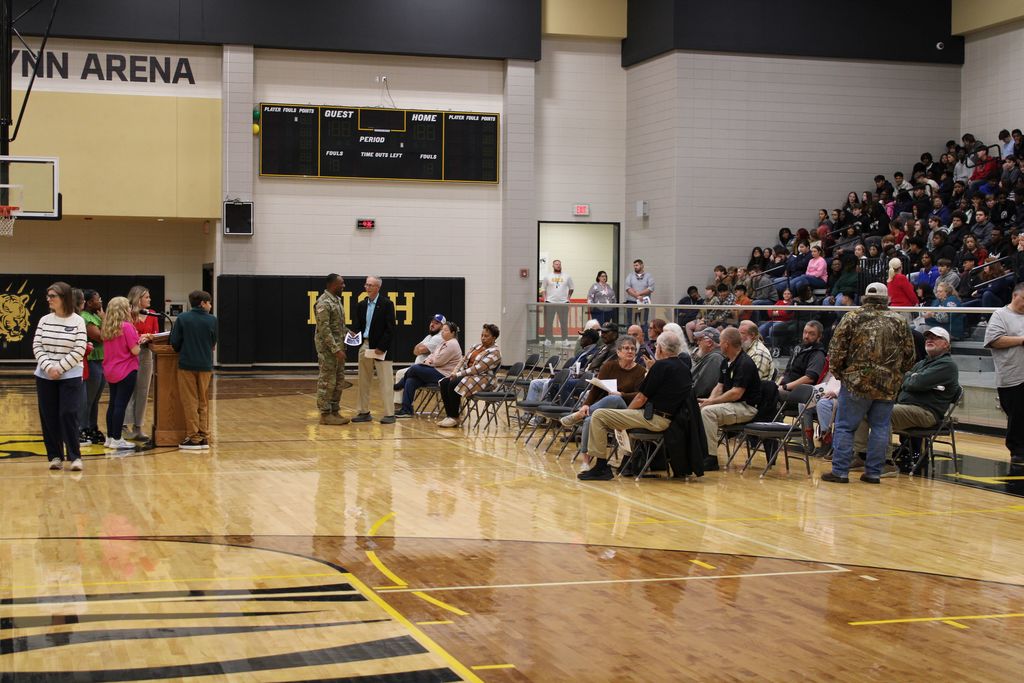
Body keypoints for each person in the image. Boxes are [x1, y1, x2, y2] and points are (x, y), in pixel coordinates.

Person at [823, 283, 916, 484]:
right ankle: (874, 473)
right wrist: (896, 374)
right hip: (888, 384)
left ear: (865, 297)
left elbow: (836, 350)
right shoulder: (899, 321)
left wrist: (840, 374)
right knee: (880, 427)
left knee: (846, 427)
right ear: (886, 298)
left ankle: (840, 471)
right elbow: (910, 356)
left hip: (856, 382)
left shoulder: (852, 317)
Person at [578, 331, 691, 481]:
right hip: (670, 419)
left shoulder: (661, 366)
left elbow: (641, 397)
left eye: (657, 345)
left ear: (661, 349)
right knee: (601, 412)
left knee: (598, 415)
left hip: (654, 418)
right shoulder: (683, 367)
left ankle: (601, 467)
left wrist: (625, 415)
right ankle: (600, 465)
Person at [851, 327, 960, 472]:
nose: (929, 340)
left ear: (946, 344)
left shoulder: (947, 365)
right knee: (864, 409)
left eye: (935, 338)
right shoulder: (922, 363)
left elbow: (914, 383)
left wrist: (910, 378)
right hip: (907, 408)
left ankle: (886, 462)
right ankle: (861, 455)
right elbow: (902, 380)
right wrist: (910, 378)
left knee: (883, 413)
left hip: (926, 413)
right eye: (928, 338)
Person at [561, 336, 647, 469]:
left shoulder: (640, 371)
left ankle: (579, 414)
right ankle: (586, 460)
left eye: (632, 349)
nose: (630, 351)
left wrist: (622, 394)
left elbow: (640, 395)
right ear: (618, 352)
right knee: (590, 420)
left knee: (615, 398)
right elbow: (596, 389)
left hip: (627, 410)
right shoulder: (609, 366)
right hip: (605, 409)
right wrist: (586, 405)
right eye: (626, 348)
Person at [33, 281, 88, 471]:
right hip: (45, 375)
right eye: (48, 296)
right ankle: (55, 456)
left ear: (64, 298)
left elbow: (79, 348)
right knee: (49, 416)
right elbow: (37, 346)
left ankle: (75, 457)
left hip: (70, 374)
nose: (48, 299)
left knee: (68, 413)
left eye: (52, 296)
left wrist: (61, 368)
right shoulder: (44, 320)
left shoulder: (78, 321)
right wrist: (49, 368)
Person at [698, 327, 762, 465]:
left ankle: (710, 457)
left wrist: (712, 403)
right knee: (697, 408)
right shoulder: (725, 361)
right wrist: (709, 400)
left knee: (708, 412)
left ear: (726, 344)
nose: (718, 344)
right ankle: (696, 452)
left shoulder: (744, 363)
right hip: (733, 405)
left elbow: (736, 393)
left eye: (720, 342)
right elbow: (719, 386)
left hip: (747, 407)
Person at [169, 290, 218, 450]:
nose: (210, 305)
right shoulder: (212, 320)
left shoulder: (183, 318)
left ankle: (193, 437)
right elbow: (213, 343)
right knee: (203, 400)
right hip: (205, 365)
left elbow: (174, 343)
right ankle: (204, 435)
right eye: (209, 302)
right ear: (202, 303)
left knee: (190, 400)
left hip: (187, 365)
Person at [101, 296, 149, 451]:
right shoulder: (127, 327)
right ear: (123, 310)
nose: (130, 308)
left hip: (110, 370)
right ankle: (117, 439)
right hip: (126, 370)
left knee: (113, 404)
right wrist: (140, 342)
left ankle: (110, 437)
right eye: (128, 306)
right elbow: (135, 351)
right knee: (120, 404)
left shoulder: (107, 327)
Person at [984, 282, 1024, 466]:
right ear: (1015, 296)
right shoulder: (1000, 315)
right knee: (1016, 415)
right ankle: (1017, 451)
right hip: (1012, 375)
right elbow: (994, 340)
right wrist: (1021, 340)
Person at [352, 276, 398, 424]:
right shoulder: (361, 305)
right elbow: (358, 326)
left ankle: (389, 414)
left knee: (386, 381)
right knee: (363, 381)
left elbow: (390, 329)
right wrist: (354, 338)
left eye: (371, 285)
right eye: (366, 285)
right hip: (365, 345)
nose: (367, 287)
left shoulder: (387, 304)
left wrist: (381, 347)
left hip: (381, 348)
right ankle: (363, 411)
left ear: (378, 287)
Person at [437, 323, 502, 428]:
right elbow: (463, 360)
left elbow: (478, 369)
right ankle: (449, 415)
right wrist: (454, 372)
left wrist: (458, 374)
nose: (483, 338)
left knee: (454, 383)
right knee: (445, 382)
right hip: (468, 374)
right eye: (482, 335)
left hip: (483, 378)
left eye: (486, 336)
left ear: (494, 338)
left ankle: (454, 417)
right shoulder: (476, 346)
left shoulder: (495, 352)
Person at [396, 321, 463, 417]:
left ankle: (400, 384)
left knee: (414, 368)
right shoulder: (443, 342)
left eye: (445, 330)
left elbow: (438, 361)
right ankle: (406, 410)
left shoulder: (452, 344)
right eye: (442, 330)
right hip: (435, 371)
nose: (443, 332)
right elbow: (432, 355)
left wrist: (429, 361)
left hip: (444, 375)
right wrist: (429, 360)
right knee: (411, 380)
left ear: (452, 333)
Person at [122, 285, 160, 440]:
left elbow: (156, 333)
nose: (149, 299)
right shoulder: (128, 314)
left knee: (143, 392)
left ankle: (138, 427)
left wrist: (150, 336)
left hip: (146, 354)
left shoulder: (152, 314)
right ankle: (123, 425)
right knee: (128, 390)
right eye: (146, 297)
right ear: (138, 298)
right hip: (129, 354)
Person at [314, 273, 349, 425]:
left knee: (339, 380)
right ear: (333, 284)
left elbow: (338, 326)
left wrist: (349, 332)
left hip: (339, 348)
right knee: (328, 381)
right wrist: (335, 349)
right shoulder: (323, 303)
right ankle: (325, 414)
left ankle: (334, 410)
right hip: (329, 350)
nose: (344, 286)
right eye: (341, 283)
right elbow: (324, 329)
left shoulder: (336, 301)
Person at [393, 313, 446, 408]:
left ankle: (400, 395)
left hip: (428, 370)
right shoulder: (429, 337)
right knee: (406, 376)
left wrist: (421, 348)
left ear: (442, 327)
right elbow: (415, 350)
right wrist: (421, 348)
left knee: (407, 372)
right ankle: (403, 406)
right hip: (420, 368)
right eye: (432, 322)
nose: (432, 324)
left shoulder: (439, 337)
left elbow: (420, 350)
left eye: (436, 323)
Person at [77, 289, 107, 445]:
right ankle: (81, 428)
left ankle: (92, 427)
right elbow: (101, 336)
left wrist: (103, 319)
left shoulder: (97, 316)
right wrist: (105, 320)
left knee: (96, 398)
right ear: (89, 303)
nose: (100, 302)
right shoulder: (85, 317)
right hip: (92, 360)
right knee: (87, 398)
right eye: (98, 299)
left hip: (102, 360)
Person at [540, 259, 574, 345]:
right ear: (553, 266)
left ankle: (564, 339)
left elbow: (571, 288)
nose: (558, 265)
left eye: (559, 264)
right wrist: (545, 298)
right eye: (556, 264)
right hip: (550, 302)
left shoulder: (567, 276)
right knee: (548, 322)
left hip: (563, 303)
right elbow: (543, 288)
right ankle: (548, 339)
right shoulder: (548, 276)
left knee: (564, 322)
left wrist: (568, 297)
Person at [691, 328, 725, 399]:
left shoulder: (715, 358)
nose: (698, 343)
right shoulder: (710, 356)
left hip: (700, 400)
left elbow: (701, 388)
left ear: (709, 343)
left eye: (700, 340)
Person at [624, 258, 655, 330]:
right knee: (631, 323)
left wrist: (639, 293)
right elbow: (628, 288)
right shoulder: (630, 275)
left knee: (643, 323)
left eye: (637, 265)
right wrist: (637, 296)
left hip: (643, 302)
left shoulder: (648, 276)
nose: (635, 267)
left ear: (642, 265)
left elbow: (651, 288)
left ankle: (645, 340)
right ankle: (630, 339)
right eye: (634, 265)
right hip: (631, 302)